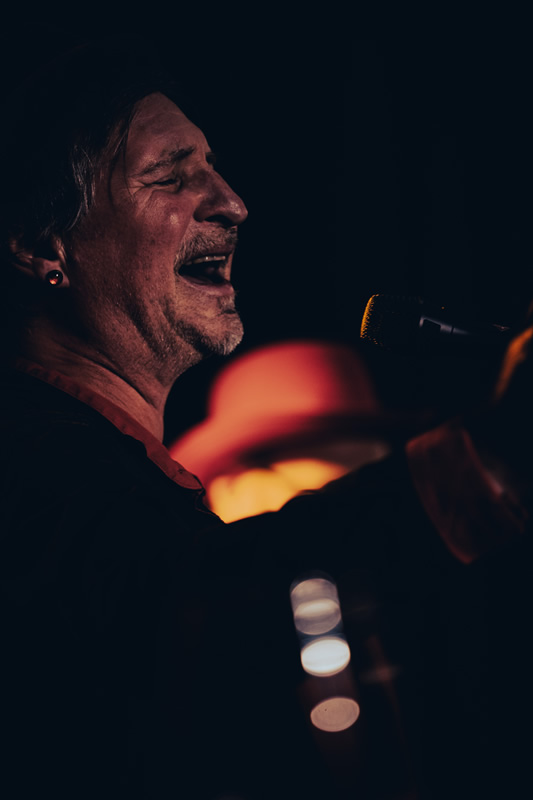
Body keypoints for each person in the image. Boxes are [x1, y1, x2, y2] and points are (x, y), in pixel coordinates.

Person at [1, 37, 531, 799]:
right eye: (169, 175)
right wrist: (490, 463)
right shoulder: (26, 465)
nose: (232, 202)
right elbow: (187, 620)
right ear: (40, 243)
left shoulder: (103, 474)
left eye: (212, 168)